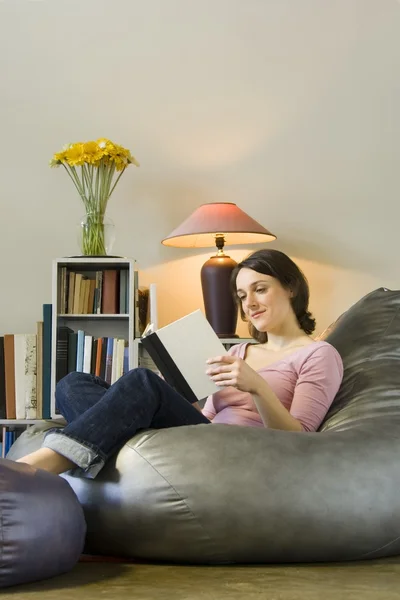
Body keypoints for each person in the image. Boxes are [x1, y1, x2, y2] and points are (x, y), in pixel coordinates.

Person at [16, 249, 343, 478]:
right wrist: (169, 392)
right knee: (73, 384)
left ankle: (40, 465)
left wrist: (258, 387)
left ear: (291, 287)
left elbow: (301, 440)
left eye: (260, 289)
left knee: (141, 382)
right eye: (242, 296)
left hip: (240, 453)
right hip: (200, 441)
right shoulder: (240, 352)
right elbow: (206, 419)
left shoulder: (318, 355)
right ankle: (108, 453)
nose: (250, 304)